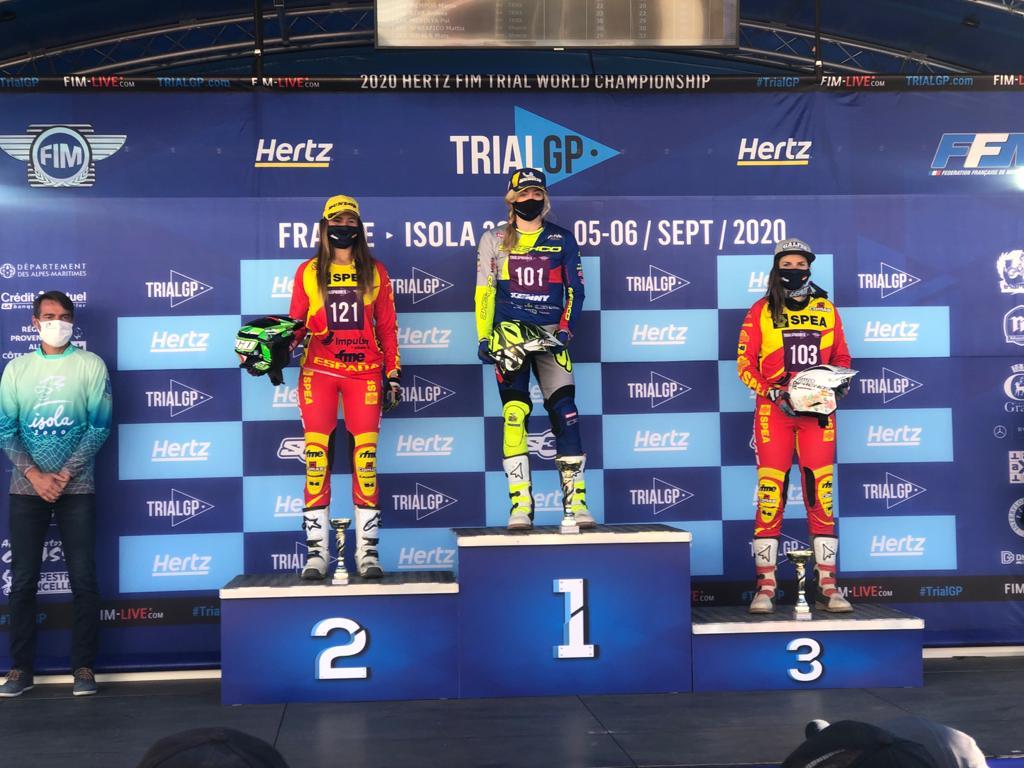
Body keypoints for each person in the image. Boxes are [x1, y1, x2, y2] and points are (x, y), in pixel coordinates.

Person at [0, 291, 112, 697]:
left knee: (83, 578)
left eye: (64, 316)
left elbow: (99, 426)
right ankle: (20, 669)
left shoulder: (91, 364)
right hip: (26, 486)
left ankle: (83, 667)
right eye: (49, 316)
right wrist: (35, 474)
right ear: (35, 322)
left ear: (73, 321)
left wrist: (62, 474)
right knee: (23, 581)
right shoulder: (17, 369)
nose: (57, 323)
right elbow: (5, 429)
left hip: (76, 485)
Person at [737, 238, 853, 613]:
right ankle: (766, 586)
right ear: (776, 269)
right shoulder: (761, 310)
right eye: (787, 264)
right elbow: (744, 365)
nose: (794, 270)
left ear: (809, 268)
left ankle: (828, 585)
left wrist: (840, 382)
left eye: (800, 264)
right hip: (776, 412)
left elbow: (842, 356)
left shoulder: (826, 309)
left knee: (822, 493)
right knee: (771, 493)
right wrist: (772, 392)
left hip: (817, 413)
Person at [288, 195, 400, 580]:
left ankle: (367, 553)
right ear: (324, 226)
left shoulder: (375, 270)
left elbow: (387, 327)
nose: (344, 226)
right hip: (319, 371)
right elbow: (296, 324)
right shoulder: (307, 271)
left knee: (365, 462)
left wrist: (393, 373)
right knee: (316, 461)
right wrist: (275, 349)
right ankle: (317, 554)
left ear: (359, 227)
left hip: (364, 373)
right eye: (337, 220)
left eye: (351, 221)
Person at [475, 168, 590, 530]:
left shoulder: (562, 238)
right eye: (523, 194)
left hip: (551, 335)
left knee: (566, 413)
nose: (530, 199)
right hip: (509, 336)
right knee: (514, 414)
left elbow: (575, 290)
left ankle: (576, 504)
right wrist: (484, 337)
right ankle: (521, 506)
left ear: (545, 197)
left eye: (536, 193)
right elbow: (485, 291)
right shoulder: (494, 239)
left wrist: (566, 327)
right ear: (511, 199)